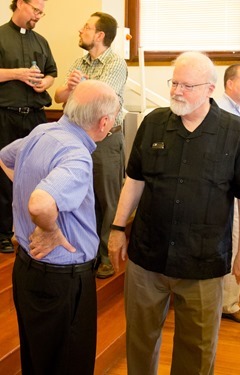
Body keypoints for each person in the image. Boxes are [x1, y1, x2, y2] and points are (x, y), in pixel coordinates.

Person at [108, 52, 240, 375]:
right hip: (147, 258)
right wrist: (116, 228)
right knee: (139, 342)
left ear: (210, 88)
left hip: (203, 263)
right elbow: (134, 181)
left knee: (196, 352)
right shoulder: (153, 124)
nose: (177, 91)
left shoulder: (236, 132)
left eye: (187, 85)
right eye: (174, 83)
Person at [0, 80, 119, 375]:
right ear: (104, 123)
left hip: (28, 270)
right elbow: (40, 204)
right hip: (61, 282)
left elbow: (4, 156)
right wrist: (50, 229)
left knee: (37, 361)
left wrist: (27, 190)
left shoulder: (44, 131)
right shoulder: (76, 156)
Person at [54, 11, 127, 279]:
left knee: (108, 200)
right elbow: (59, 96)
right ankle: (87, 251)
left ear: (99, 35)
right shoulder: (79, 61)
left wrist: (78, 86)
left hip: (106, 140)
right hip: (77, 140)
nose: (80, 30)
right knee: (83, 197)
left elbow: (100, 98)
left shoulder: (116, 63)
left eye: (86, 27)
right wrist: (69, 88)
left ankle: (106, 256)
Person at [0, 0, 57, 253]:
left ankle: (34, 228)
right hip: (5, 116)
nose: (39, 16)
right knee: (3, 176)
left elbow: (52, 72)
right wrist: (18, 74)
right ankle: (2, 232)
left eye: (42, 12)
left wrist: (45, 82)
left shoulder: (41, 42)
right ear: (20, 4)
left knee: (37, 173)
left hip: (35, 118)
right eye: (36, 10)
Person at [217, 64, 240, 324]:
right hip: (224, 190)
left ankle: (228, 303)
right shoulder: (219, 111)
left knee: (237, 240)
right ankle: (226, 304)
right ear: (230, 84)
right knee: (229, 241)